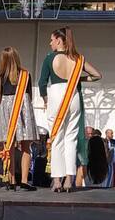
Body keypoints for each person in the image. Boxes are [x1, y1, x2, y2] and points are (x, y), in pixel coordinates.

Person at [38, 27, 101, 193]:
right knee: (71, 139)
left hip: (56, 95)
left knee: (56, 138)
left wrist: (45, 99)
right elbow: (97, 75)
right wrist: (78, 78)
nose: (50, 43)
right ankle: (68, 179)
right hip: (73, 96)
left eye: (52, 40)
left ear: (59, 40)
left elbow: (42, 83)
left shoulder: (50, 58)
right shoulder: (78, 58)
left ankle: (57, 180)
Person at [0, 47, 39, 191]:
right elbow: (30, 96)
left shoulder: (0, 77)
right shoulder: (26, 75)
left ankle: (12, 179)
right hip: (23, 110)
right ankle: (25, 180)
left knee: (10, 147)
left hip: (8, 112)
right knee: (26, 147)